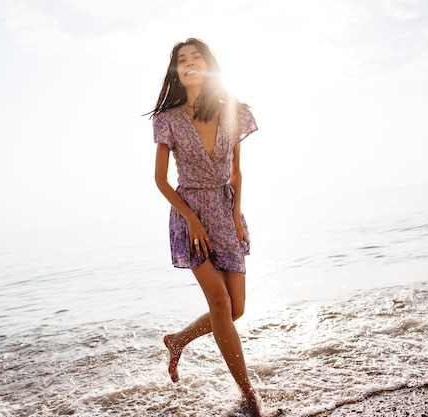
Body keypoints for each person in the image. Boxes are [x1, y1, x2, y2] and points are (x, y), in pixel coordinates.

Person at [150, 38, 263, 416]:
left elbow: (237, 171)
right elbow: (161, 180)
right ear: (176, 71)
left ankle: (179, 340)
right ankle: (249, 395)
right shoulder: (167, 119)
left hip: (225, 212)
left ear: (209, 65)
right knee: (219, 302)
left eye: (197, 58)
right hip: (190, 215)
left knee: (235, 309)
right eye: (182, 60)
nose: (190, 64)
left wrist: (235, 217)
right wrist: (192, 219)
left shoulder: (233, 110)